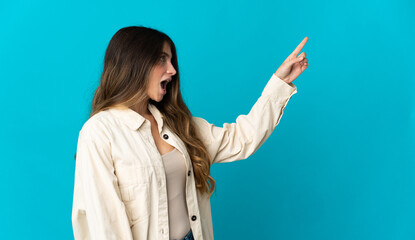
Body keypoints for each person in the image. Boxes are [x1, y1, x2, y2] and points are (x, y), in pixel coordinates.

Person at [71, 26, 309, 240]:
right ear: (136, 64)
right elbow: (104, 225)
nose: (173, 70)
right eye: (162, 60)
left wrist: (280, 82)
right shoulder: (99, 132)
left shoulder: (178, 124)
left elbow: (242, 139)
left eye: (172, 60)